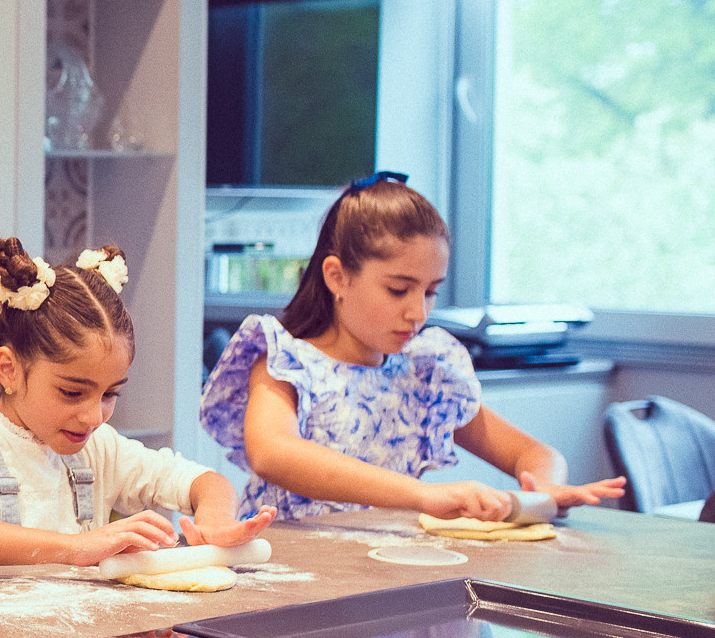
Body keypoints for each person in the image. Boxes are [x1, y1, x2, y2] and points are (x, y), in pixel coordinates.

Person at [199, 173, 625, 523]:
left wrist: (545, 488)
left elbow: (535, 453)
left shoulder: (424, 372)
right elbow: (273, 452)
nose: (417, 313)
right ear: (337, 277)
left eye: (431, 292)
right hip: (294, 577)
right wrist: (422, 496)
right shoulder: (285, 361)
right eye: (399, 290)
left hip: (391, 575)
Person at [0, 238, 271, 570]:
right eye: (72, 392)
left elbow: (208, 483)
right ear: (9, 370)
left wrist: (215, 519)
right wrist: (75, 548)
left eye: (110, 394)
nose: (93, 417)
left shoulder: (100, 451)